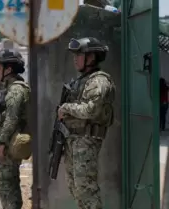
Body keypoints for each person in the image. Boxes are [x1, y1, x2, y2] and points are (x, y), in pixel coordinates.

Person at [58, 37, 116, 209]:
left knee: (87, 190)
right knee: (76, 188)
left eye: (79, 54)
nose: (75, 58)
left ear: (91, 57)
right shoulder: (82, 80)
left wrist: (66, 108)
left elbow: (92, 110)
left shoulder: (99, 81)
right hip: (74, 140)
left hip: (86, 140)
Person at [0, 48, 30, 209]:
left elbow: (12, 119)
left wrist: (2, 144)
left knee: (6, 187)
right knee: (5, 186)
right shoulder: (10, 89)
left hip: (9, 146)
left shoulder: (16, 90)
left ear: (9, 69)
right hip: (9, 145)